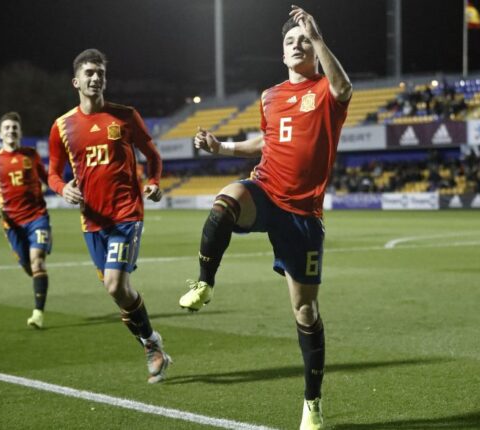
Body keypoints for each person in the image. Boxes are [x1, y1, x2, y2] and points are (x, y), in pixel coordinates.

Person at [177, 6, 352, 429]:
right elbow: (267, 141)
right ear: (282, 52)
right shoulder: (270, 96)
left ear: (314, 48)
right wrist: (223, 149)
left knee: (305, 311)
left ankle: (312, 402)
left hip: (304, 213)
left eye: (303, 41)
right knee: (224, 202)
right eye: (290, 41)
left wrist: (319, 37)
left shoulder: (326, 91)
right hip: (266, 190)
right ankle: (204, 281)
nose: (296, 45)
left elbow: (344, 88)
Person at [47, 48, 170, 383]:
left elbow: (153, 156)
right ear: (76, 81)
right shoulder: (62, 127)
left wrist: (155, 182)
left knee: (117, 285)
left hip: (126, 214)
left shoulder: (126, 116)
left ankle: (151, 346)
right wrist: (63, 190)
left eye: (100, 72)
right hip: (92, 222)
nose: (95, 77)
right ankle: (152, 343)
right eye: (88, 72)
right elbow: (53, 174)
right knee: (117, 292)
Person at [0, 112, 52, 329]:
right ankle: (39, 283)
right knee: (28, 267)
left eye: (15, 127)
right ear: (0, 133)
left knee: (37, 261)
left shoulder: (31, 155)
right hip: (11, 223)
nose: (11, 130)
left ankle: (38, 314)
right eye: (7, 128)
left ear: (20, 132)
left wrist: (62, 186)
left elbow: (47, 177)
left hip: (37, 218)